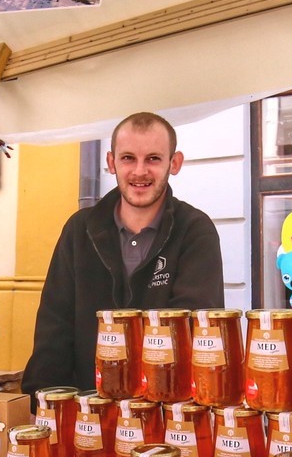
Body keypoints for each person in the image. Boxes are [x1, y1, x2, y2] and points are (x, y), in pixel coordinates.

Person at [22, 112, 225, 396]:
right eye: (128, 158)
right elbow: (54, 327)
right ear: (110, 162)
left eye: (153, 158)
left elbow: (193, 328)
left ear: (174, 163)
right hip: (87, 411)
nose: (139, 171)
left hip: (166, 412)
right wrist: (41, 402)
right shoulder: (79, 229)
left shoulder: (195, 230)